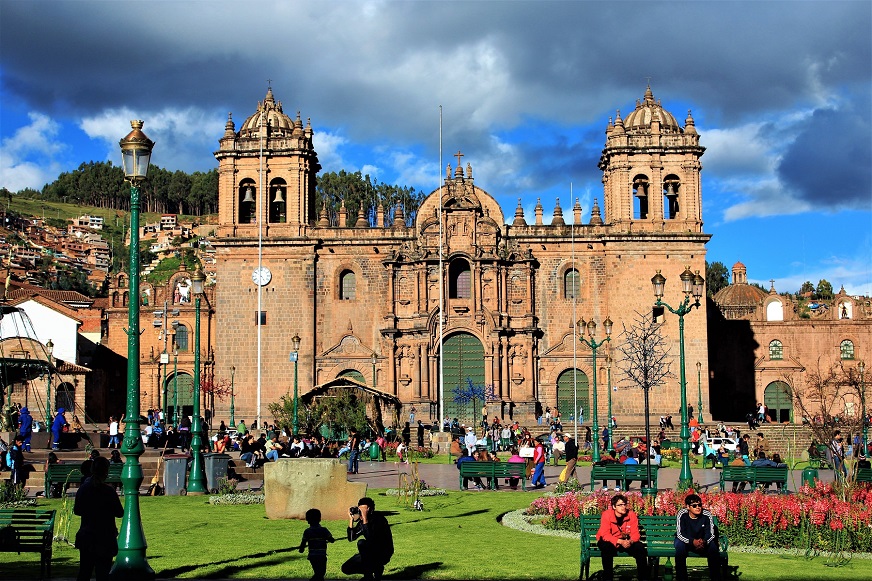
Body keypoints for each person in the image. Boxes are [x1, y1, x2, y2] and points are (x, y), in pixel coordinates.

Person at [74, 456, 124, 581]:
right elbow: (119, 512)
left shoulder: (83, 489)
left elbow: (77, 510)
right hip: (105, 536)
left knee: (84, 572)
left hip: (87, 535)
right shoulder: (108, 491)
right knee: (103, 574)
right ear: (106, 471)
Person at [596, 494, 648, 581]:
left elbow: (636, 534)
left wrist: (630, 541)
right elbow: (605, 535)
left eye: (624, 504)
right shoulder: (607, 515)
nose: (623, 507)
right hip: (609, 541)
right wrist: (620, 541)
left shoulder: (631, 515)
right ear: (614, 506)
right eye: (620, 505)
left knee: (640, 547)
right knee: (606, 548)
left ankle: (643, 578)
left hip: (626, 541)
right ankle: (608, 577)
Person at [342, 497, 393, 581]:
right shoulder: (361, 522)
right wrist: (351, 520)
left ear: (370, 509)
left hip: (383, 552)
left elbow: (371, 538)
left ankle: (369, 574)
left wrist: (365, 519)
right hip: (369, 553)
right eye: (360, 509)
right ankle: (375, 569)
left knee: (361, 543)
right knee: (346, 568)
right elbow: (351, 538)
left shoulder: (379, 519)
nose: (361, 512)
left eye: (364, 509)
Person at [674, 494, 722, 581]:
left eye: (699, 505)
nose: (698, 507)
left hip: (702, 541)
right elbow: (680, 533)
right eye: (694, 506)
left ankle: (716, 578)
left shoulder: (706, 514)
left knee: (713, 548)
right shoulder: (682, 514)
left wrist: (704, 542)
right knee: (680, 547)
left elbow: (710, 533)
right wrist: (692, 541)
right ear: (688, 507)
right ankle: (681, 578)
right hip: (686, 541)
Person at [299, 507, 336, 581]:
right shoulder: (323, 530)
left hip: (312, 556)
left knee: (318, 572)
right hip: (321, 555)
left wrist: (301, 549)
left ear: (307, 520)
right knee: (321, 573)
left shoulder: (307, 531)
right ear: (319, 519)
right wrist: (332, 540)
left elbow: (303, 542)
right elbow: (331, 539)